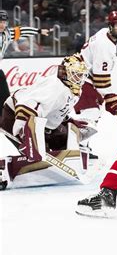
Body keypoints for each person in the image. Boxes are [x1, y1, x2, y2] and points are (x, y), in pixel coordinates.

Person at [0, 54, 91, 190]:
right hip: (15, 116)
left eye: (81, 74)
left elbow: (54, 109)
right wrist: (21, 122)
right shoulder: (56, 86)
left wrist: (68, 121)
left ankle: (61, 156)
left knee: (60, 140)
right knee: (36, 156)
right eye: (76, 74)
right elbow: (28, 102)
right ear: (65, 72)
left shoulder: (72, 89)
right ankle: (4, 168)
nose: (80, 78)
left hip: (38, 120)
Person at [73, 11, 117, 155]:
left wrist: (108, 96)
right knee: (91, 112)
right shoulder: (105, 45)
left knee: (92, 112)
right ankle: (79, 147)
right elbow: (100, 80)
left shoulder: (105, 33)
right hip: (83, 79)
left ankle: (80, 145)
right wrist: (111, 96)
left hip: (82, 76)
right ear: (110, 26)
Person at [0, 10, 50, 116]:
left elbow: (22, 31)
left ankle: (4, 116)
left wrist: (39, 31)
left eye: (4, 22)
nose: (2, 24)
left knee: (4, 94)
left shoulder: (7, 34)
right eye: (0, 22)